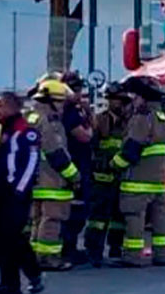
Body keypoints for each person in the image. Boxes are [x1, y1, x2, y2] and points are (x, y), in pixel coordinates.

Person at [110, 76, 165, 267]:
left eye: (134, 97)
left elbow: (131, 150)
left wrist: (113, 164)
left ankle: (132, 256)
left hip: (137, 182)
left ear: (142, 98)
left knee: (134, 219)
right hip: (159, 182)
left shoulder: (141, 118)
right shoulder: (163, 118)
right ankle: (162, 255)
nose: (132, 100)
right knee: (161, 220)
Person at [0, 92, 44, 294]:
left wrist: (19, 190)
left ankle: (33, 274)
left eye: (0, 106)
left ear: (13, 107)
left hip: (15, 195)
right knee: (0, 242)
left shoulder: (25, 131)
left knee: (14, 238)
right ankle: (8, 284)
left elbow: (31, 163)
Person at [28, 79, 80, 271]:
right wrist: (74, 176)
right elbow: (56, 153)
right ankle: (48, 259)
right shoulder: (50, 122)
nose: (61, 107)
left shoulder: (31, 117)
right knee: (52, 221)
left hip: (36, 181)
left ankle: (35, 257)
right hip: (52, 182)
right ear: (50, 101)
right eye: (59, 102)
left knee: (38, 221)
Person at [84, 82, 131, 267]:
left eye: (119, 100)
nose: (117, 103)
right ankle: (93, 250)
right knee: (98, 218)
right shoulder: (99, 120)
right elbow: (91, 145)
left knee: (119, 217)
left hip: (122, 176)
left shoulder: (130, 121)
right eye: (113, 100)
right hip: (102, 177)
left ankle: (115, 248)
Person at [59, 72, 94, 265]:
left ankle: (69, 247)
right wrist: (89, 127)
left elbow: (91, 127)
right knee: (75, 209)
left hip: (82, 162)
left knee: (80, 208)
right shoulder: (69, 112)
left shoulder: (78, 110)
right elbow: (85, 136)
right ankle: (67, 248)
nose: (79, 92)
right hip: (74, 164)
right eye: (75, 89)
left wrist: (88, 112)